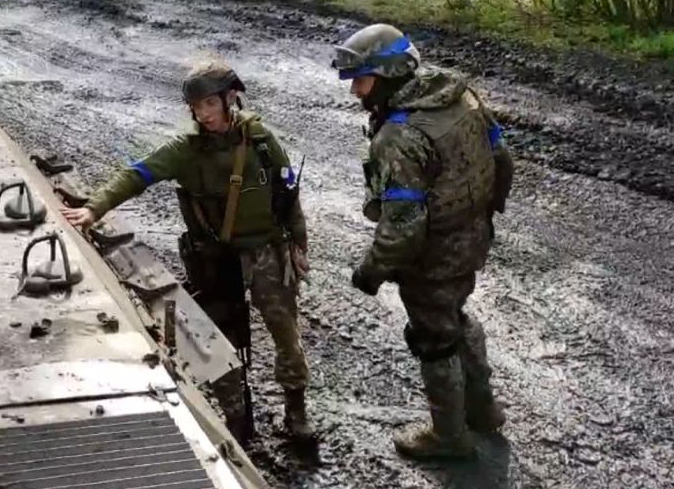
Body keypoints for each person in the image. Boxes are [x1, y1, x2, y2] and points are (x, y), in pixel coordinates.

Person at [60, 61, 315, 445]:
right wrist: (95, 208)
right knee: (218, 338)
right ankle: (236, 418)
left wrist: (299, 246)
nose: (203, 114)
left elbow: (288, 193)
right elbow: (138, 174)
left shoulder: (261, 140)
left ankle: (296, 412)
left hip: (267, 249)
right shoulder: (185, 150)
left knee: (285, 333)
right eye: (196, 107)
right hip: (217, 257)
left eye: (210, 104)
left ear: (231, 99)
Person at [333, 23, 514, 459]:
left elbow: (403, 226)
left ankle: (449, 437)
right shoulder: (458, 95)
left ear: (390, 73)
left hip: (432, 254)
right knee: (456, 316)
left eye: (362, 79)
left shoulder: (400, 135)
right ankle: (483, 410)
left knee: (434, 338)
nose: (356, 91)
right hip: (472, 235)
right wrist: (484, 213)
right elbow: (502, 157)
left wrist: (371, 270)